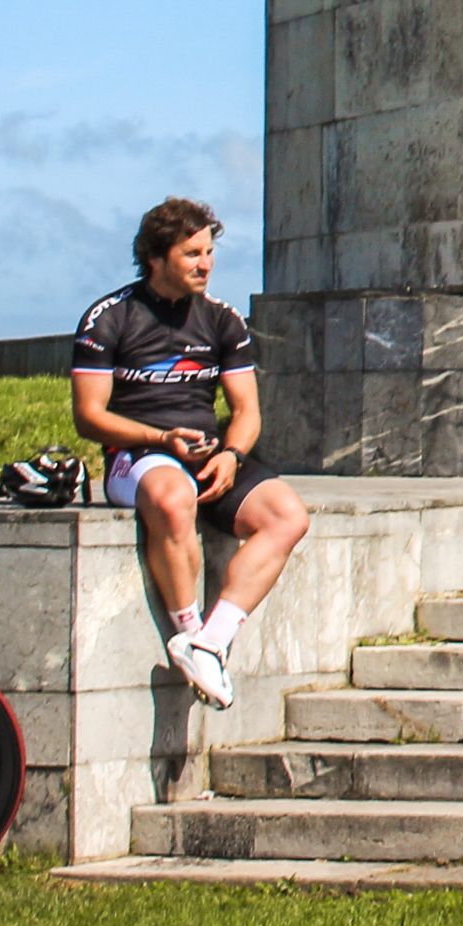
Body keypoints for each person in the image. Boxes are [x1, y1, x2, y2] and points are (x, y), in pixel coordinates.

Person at [71, 198, 311, 711]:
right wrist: (160, 440)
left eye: (209, 252)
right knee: (173, 495)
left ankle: (208, 643)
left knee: (288, 516)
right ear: (156, 259)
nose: (205, 264)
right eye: (191, 254)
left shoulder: (222, 320)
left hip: (208, 454)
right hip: (137, 455)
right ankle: (186, 630)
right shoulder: (108, 317)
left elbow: (246, 410)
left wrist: (230, 454)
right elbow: (88, 416)